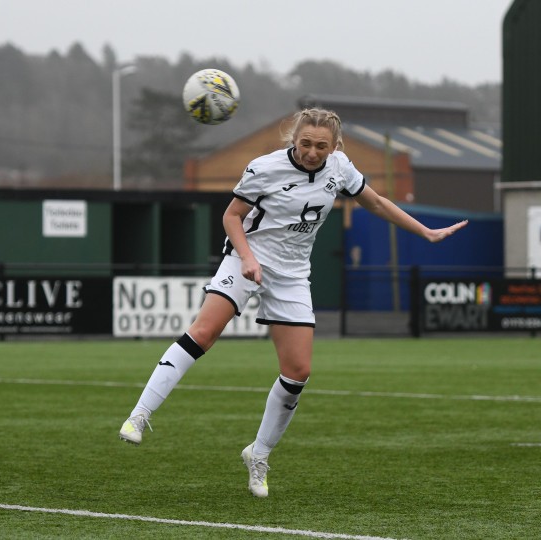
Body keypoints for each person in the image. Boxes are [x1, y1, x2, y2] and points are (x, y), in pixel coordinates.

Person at [118, 108, 468, 498]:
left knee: (298, 371)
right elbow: (232, 216)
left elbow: (377, 203)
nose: (312, 152)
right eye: (305, 144)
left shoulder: (340, 167)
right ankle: (140, 414)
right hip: (245, 257)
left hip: (292, 274)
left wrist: (425, 232)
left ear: (334, 146)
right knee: (205, 331)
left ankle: (259, 454)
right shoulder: (263, 167)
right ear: (293, 140)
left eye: (321, 146)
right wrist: (248, 258)